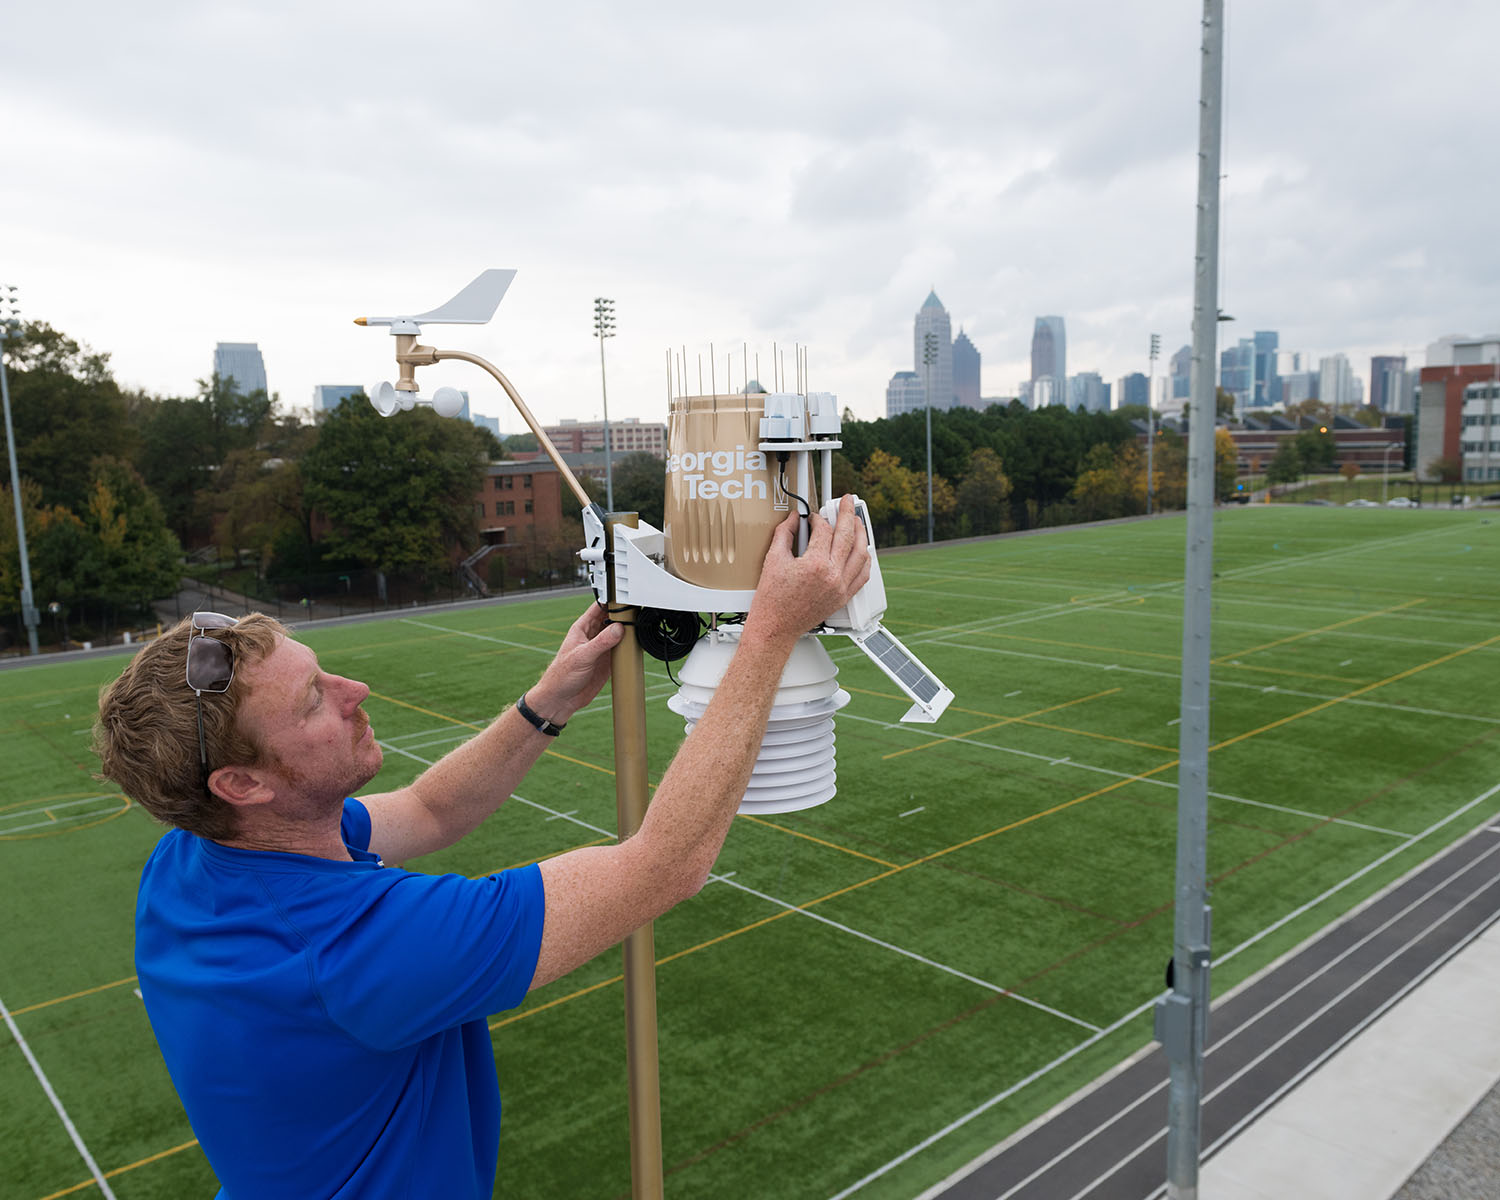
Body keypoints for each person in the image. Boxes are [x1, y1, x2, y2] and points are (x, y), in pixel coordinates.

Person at [93, 500, 869, 1200]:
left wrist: (548, 701)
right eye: (314, 702)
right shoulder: (355, 952)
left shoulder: (194, 860)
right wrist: (771, 630)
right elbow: (667, 863)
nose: (355, 689)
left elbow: (430, 811)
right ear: (241, 784)